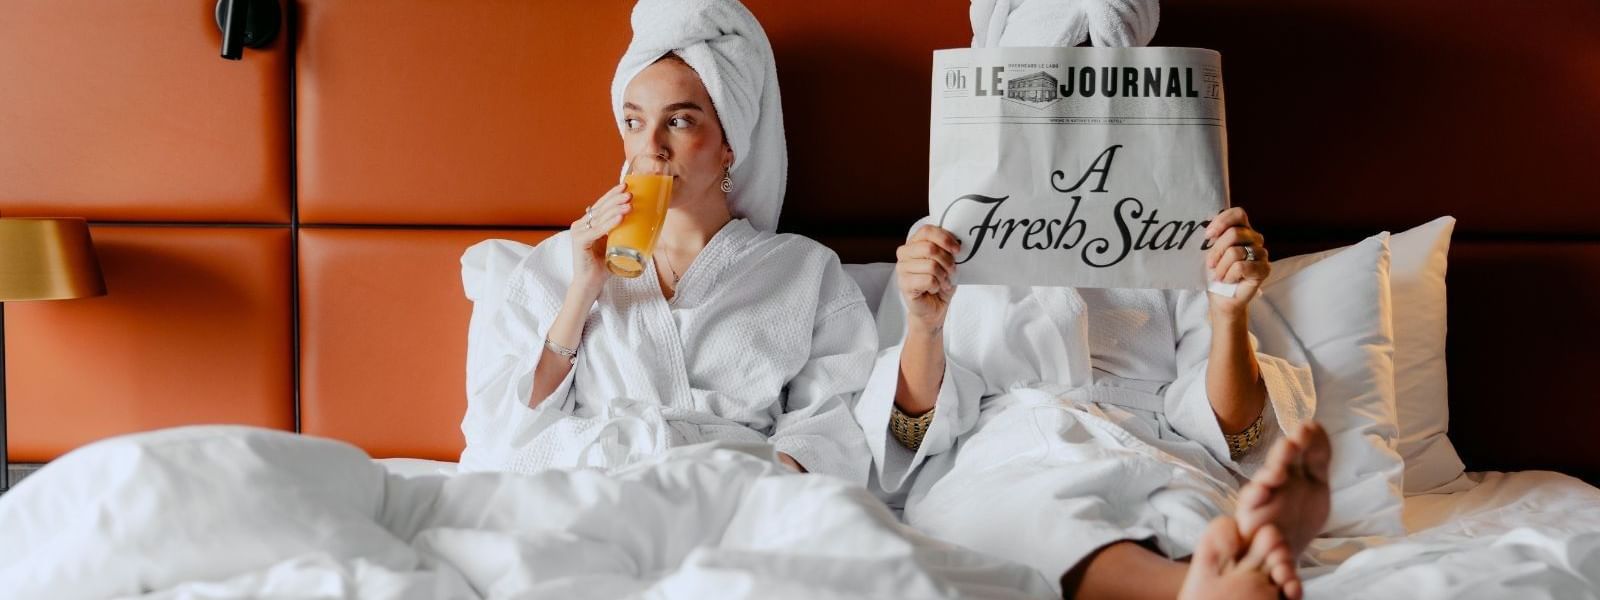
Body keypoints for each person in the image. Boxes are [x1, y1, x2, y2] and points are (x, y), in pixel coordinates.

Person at [458, 0, 874, 484]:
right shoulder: (561, 262)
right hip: (592, 494)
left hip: (730, 499)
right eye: (634, 122)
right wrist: (581, 292)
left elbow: (830, 430)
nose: (650, 146)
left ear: (728, 146)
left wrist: (731, 483)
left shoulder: (801, 270)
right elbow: (507, 430)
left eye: (679, 121)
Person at [858, 211, 1332, 599]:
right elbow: (908, 432)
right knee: (1032, 515)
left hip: (1151, 437)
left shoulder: (1175, 224)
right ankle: (1214, 577)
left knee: (1184, 506)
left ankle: (1225, 561)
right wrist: (925, 326)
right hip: (1003, 443)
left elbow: (1231, 427)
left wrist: (1229, 313)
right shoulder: (944, 230)